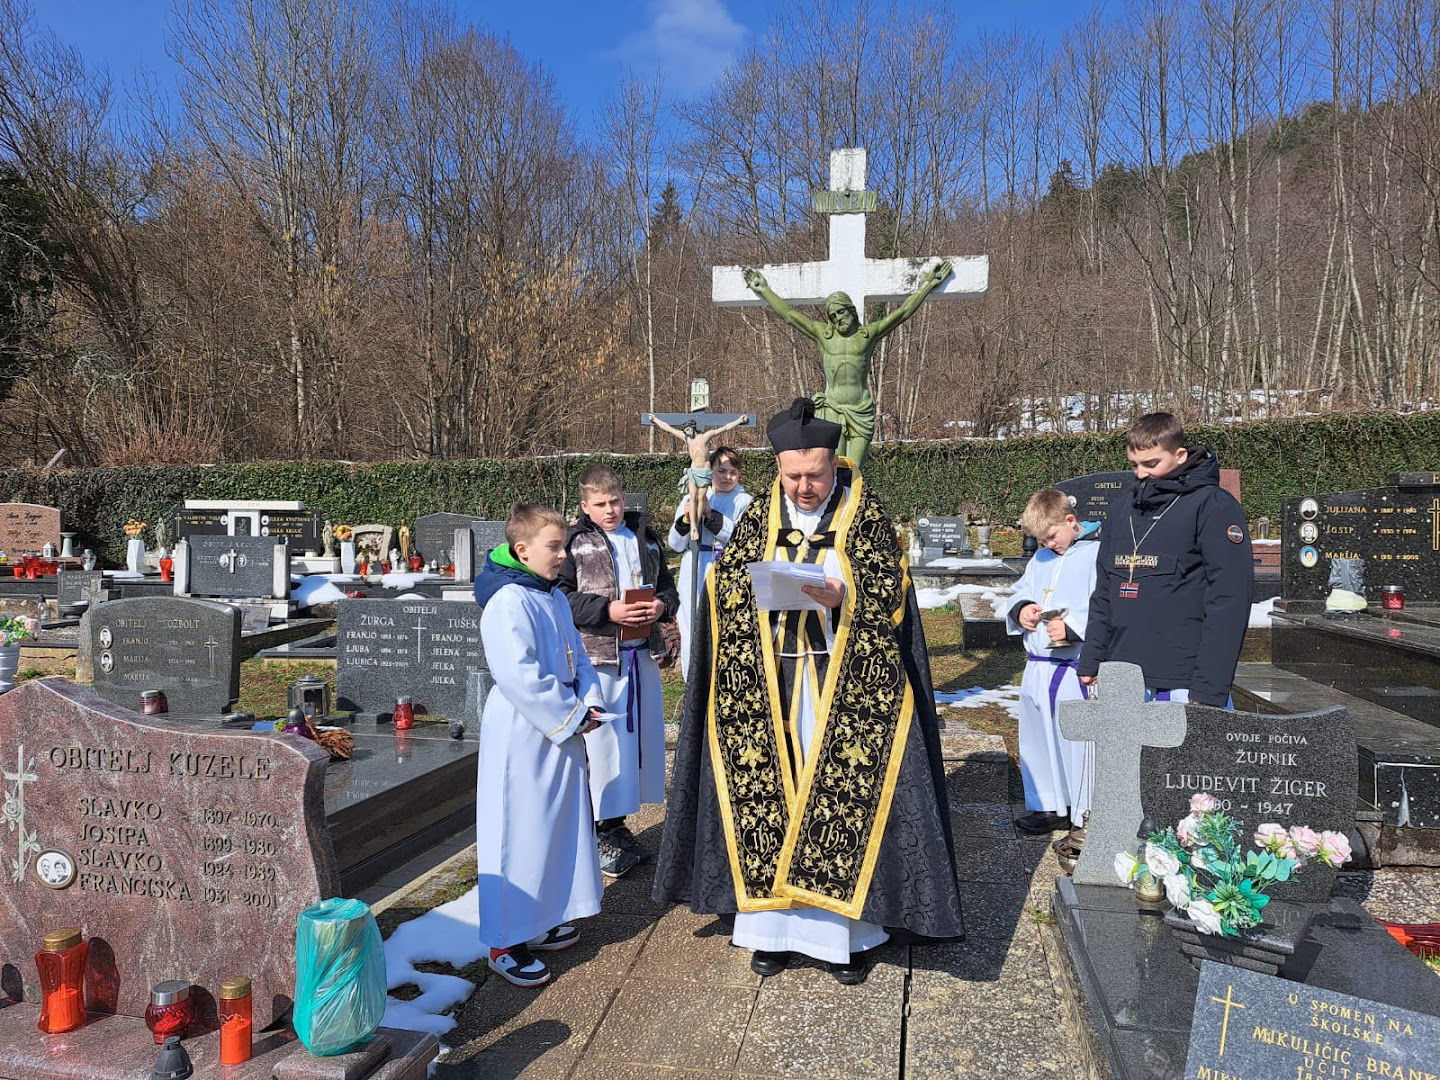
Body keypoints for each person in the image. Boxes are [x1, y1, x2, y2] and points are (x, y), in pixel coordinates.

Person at [654, 399, 964, 986]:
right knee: (772, 800)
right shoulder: (759, 514)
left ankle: (845, 937)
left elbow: (893, 594)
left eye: (813, 475)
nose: (801, 486)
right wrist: (750, 591)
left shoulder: (863, 513)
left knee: (841, 801)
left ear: (833, 464)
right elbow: (721, 587)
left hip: (841, 684)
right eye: (791, 475)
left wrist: (844, 598)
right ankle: (772, 933)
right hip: (770, 684)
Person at [472, 502, 609, 988]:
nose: (563, 556)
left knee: (552, 827)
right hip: (523, 733)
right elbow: (517, 674)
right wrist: (570, 715)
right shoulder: (509, 600)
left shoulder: (548, 594)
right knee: (519, 832)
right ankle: (504, 941)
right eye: (554, 547)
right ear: (522, 549)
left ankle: (540, 919)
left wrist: (589, 702)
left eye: (565, 546)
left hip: (560, 727)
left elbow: (579, 657)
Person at [1078, 412, 1252, 707]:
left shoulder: (1212, 506)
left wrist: (1209, 689)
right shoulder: (1122, 509)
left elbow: (1228, 600)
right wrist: (1092, 658)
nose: (1141, 473)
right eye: (1134, 465)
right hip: (1122, 674)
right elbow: (1104, 592)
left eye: (1151, 463)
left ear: (1180, 455)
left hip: (1183, 680)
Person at [558, 464, 680, 879]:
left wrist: (662, 606)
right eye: (599, 504)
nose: (609, 510)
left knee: (634, 749)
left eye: (614, 502)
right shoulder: (574, 544)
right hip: (598, 659)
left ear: (623, 500)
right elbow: (562, 599)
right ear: (584, 506)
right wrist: (607, 610)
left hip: (640, 653)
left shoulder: (643, 537)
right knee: (603, 749)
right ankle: (594, 831)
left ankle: (617, 824)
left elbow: (667, 587)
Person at [741, 260, 951, 467]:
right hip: (832, 409)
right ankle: (837, 502)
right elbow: (789, 315)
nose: (838, 318)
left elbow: (902, 313)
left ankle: (855, 502)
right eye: (833, 316)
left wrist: (929, 284)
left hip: (861, 409)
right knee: (837, 467)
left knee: (855, 468)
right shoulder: (825, 336)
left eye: (841, 312)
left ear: (850, 310)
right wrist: (765, 290)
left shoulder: (866, 335)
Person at [1006, 490, 1101, 856]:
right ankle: (1047, 804)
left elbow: (1103, 605)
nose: (1048, 545)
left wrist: (1075, 627)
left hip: (1074, 666)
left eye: (1052, 537)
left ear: (1071, 522)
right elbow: (1019, 591)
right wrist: (1023, 609)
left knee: (1075, 743)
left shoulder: (1095, 554)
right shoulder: (1042, 558)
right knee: (1038, 738)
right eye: (1041, 540)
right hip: (1038, 665)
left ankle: (1082, 811)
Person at [667, 445, 751, 679]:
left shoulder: (744, 501)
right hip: (693, 568)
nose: (727, 477)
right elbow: (675, 543)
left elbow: (742, 539)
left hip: (723, 567)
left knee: (720, 628)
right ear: (709, 471)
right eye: (721, 470)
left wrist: (709, 514)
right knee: (691, 625)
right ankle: (692, 684)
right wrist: (687, 517)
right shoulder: (689, 496)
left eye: (732, 472)